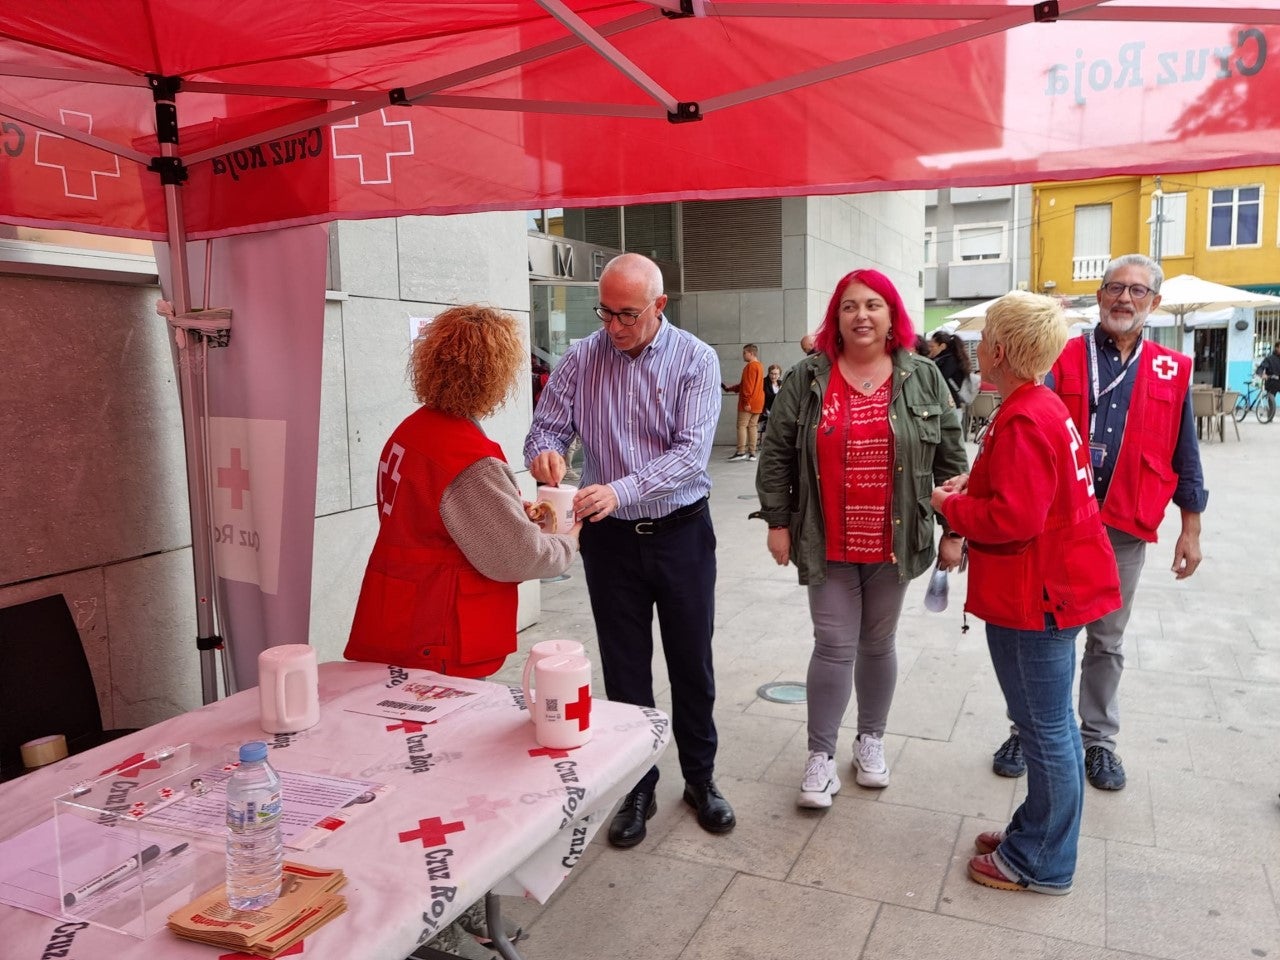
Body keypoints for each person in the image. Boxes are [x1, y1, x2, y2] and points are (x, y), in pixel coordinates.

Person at [346, 304, 577, 956]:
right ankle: (441, 917)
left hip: (397, 620)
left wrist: (510, 503)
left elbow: (440, 521)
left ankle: (440, 907)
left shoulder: (411, 431)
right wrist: (564, 536)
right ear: (494, 374)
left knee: (410, 783)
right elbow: (515, 555)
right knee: (448, 792)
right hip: (441, 638)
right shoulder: (464, 454)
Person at [523, 252, 735, 848]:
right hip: (611, 542)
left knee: (692, 661)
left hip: (681, 532)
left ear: (659, 307)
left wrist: (619, 489)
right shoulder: (580, 359)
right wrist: (545, 455)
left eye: (628, 315)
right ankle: (638, 781)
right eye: (605, 313)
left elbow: (691, 455)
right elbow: (544, 430)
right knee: (624, 666)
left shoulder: (694, 359)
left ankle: (701, 777)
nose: (614, 327)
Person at [989, 254, 1207, 791]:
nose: (1124, 299)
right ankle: (1030, 727)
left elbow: (1186, 451)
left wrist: (1191, 527)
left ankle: (1097, 741)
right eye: (1114, 288)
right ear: (1099, 295)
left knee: (1106, 640)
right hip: (1055, 525)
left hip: (1124, 524)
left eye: (1137, 291)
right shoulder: (1059, 355)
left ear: (1154, 304)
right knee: (1042, 631)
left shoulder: (1168, 368)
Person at [753, 269, 968, 809]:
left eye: (873, 305)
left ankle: (870, 740)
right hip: (824, 536)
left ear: (892, 315)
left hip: (894, 540)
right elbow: (776, 452)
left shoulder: (923, 376)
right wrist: (778, 522)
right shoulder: (807, 378)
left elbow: (951, 459)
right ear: (836, 317)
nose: (862, 315)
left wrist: (955, 531)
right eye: (850, 306)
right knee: (832, 644)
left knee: (878, 643)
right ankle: (820, 756)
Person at [931, 291, 1122, 895]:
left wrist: (951, 504)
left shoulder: (1022, 415)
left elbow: (1014, 520)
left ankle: (1043, 860)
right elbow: (1027, 488)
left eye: (987, 335)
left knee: (1046, 730)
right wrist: (976, 480)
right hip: (1043, 591)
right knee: (1045, 725)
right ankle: (1035, 831)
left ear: (1005, 350)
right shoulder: (1039, 404)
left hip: (1039, 596)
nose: (979, 344)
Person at [723, 343, 765, 461]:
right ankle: (752, 453)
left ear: (751, 353)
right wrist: (730, 388)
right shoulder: (760, 366)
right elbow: (745, 385)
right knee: (753, 426)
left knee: (741, 425)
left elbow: (747, 386)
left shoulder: (750, 367)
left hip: (748, 403)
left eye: (744, 353)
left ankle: (741, 451)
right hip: (758, 401)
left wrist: (746, 402)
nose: (743, 355)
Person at [759, 363, 783, 437]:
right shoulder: (764, 382)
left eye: (776, 374)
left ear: (779, 375)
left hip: (779, 410)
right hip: (767, 410)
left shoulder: (781, 383)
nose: (773, 376)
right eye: (771, 373)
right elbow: (768, 396)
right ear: (768, 374)